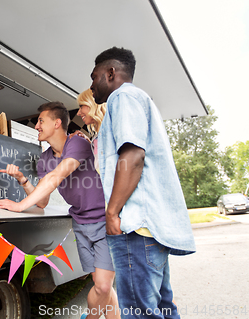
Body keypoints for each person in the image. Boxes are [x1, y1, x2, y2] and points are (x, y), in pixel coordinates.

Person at [89, 47, 196, 318]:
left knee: (140, 313)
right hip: (151, 229)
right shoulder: (140, 99)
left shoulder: (122, 97)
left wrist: (112, 211)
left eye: (95, 76)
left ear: (111, 73)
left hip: (136, 227)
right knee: (162, 308)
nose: (91, 85)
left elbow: (133, 155)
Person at [0, 102, 120, 319]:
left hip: (103, 220)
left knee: (103, 286)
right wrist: (23, 180)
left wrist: (20, 205)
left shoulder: (77, 142)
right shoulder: (44, 159)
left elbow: (56, 176)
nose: (37, 126)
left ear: (57, 123)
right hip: (80, 223)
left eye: (41, 121)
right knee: (102, 284)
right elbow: (43, 201)